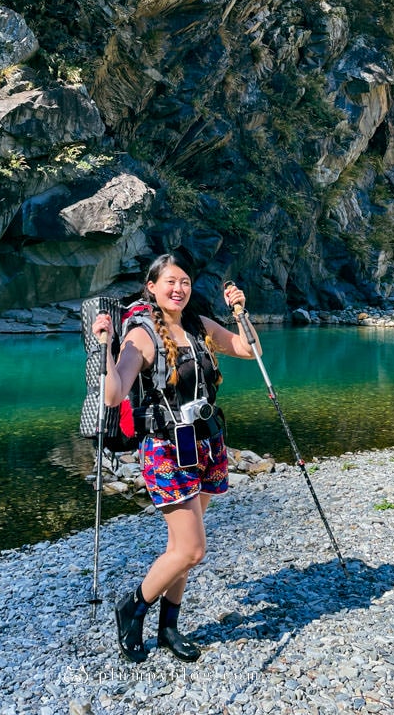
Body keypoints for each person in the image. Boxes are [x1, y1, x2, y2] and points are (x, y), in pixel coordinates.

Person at [90, 252, 262, 664]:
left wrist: (241, 314)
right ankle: (132, 607)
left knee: (178, 548)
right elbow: (113, 395)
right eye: (170, 281)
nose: (178, 288)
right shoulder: (141, 335)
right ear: (151, 287)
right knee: (191, 549)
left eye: (184, 281)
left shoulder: (199, 326)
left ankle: (169, 628)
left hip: (206, 445)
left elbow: (249, 349)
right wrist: (106, 348)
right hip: (166, 450)